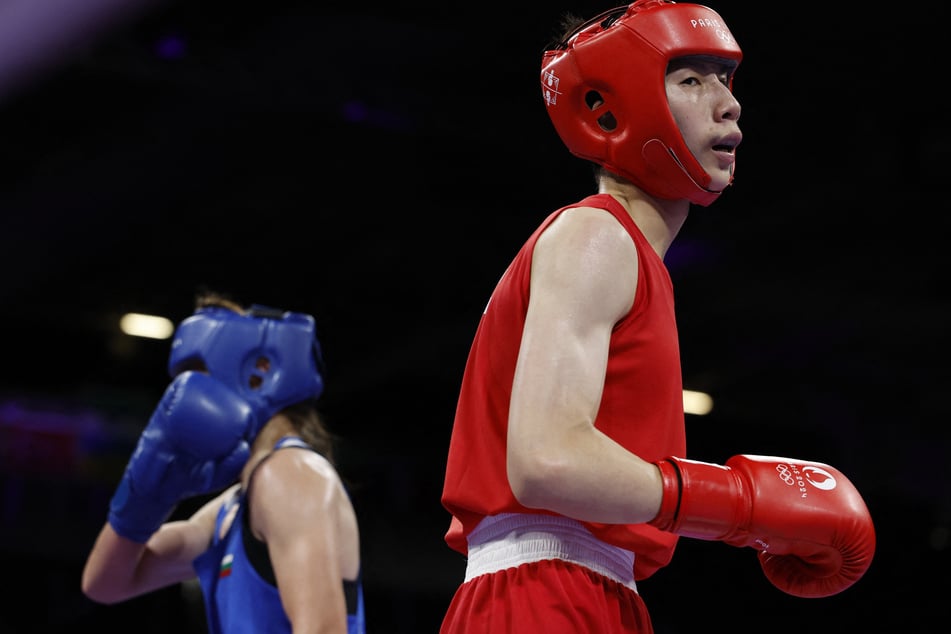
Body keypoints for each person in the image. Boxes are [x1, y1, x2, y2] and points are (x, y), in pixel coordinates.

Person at [439, 1, 875, 632]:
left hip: (594, 588)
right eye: (691, 80)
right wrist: (740, 506)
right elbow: (545, 460)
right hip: (542, 590)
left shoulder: (628, 256)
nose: (728, 103)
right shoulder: (596, 235)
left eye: (725, 78)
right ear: (611, 107)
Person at [82, 291, 366, 634]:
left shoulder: (291, 474)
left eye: (200, 375)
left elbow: (322, 630)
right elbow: (106, 584)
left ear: (260, 370)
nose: (191, 396)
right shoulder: (231, 509)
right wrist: (147, 493)